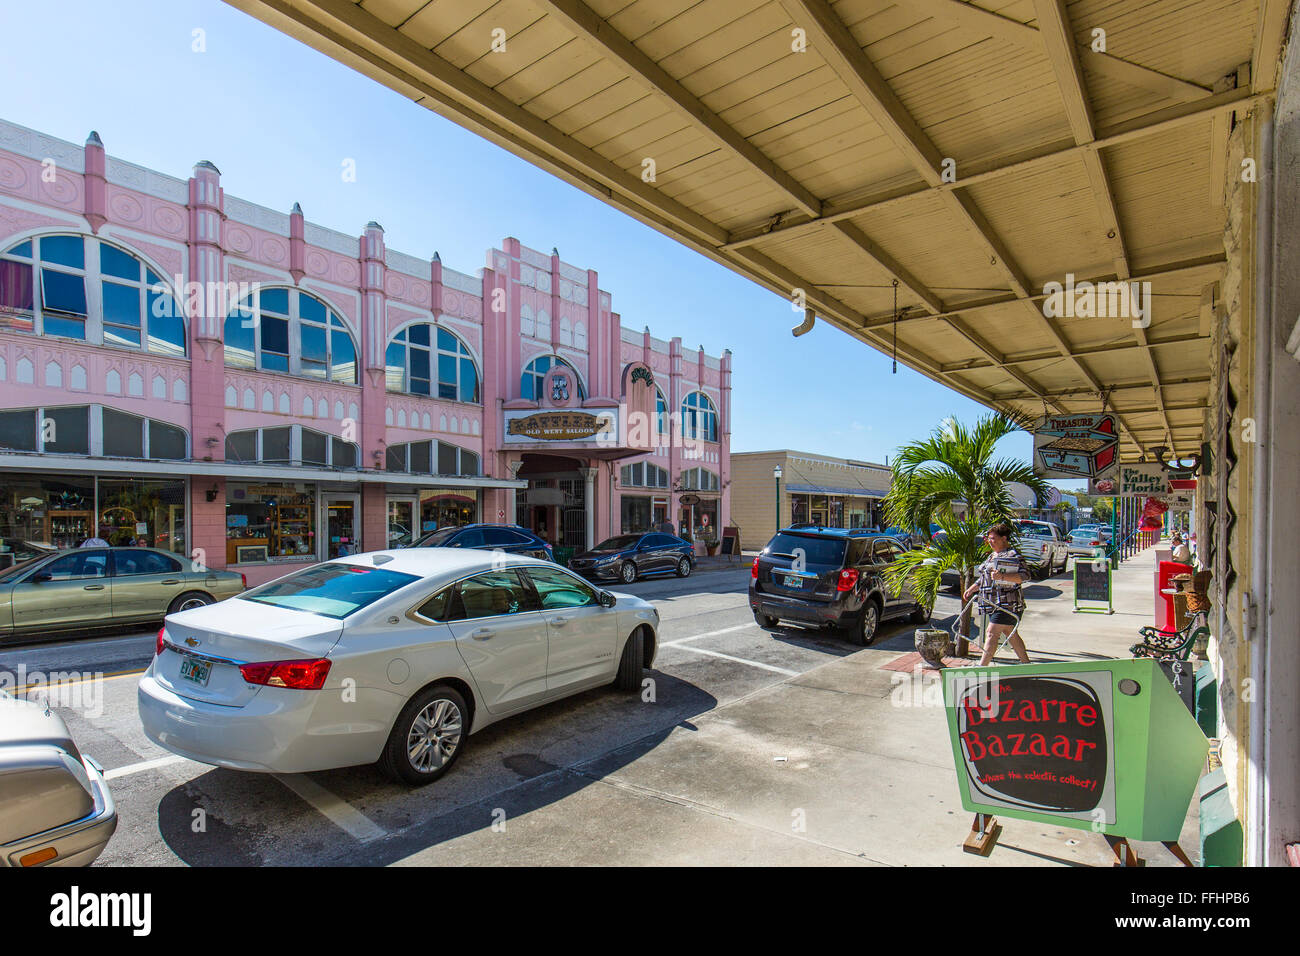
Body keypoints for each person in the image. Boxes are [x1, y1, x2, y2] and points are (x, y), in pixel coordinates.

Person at [962, 522, 1032, 665]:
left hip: (1008, 603)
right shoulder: (993, 555)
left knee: (991, 633)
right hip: (994, 603)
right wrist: (972, 588)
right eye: (989, 538)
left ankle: (982, 667)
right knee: (1010, 634)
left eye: (993, 538)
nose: (990, 541)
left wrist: (1002, 577)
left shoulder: (1012, 555)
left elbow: (1025, 576)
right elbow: (985, 577)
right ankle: (1026, 664)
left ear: (1004, 538)